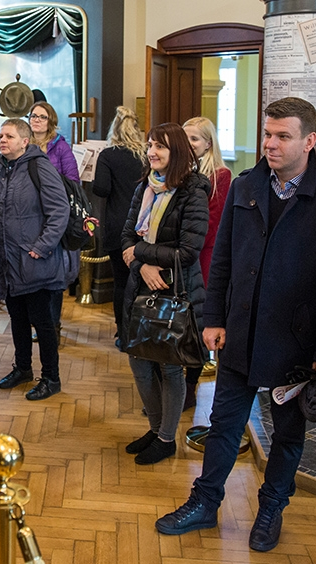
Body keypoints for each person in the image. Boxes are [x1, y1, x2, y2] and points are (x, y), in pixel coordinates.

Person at [155, 97, 316, 552]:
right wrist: (213, 319)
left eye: (282, 136)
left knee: (287, 434)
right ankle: (205, 502)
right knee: (224, 424)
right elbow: (223, 258)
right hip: (241, 333)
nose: (271, 144)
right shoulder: (247, 187)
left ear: (310, 141)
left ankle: (271, 508)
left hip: (297, 343)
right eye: (267, 134)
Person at [121, 122, 209, 465]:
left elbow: (189, 251)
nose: (152, 152)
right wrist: (141, 264)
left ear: (177, 154)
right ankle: (156, 429)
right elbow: (127, 236)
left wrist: (141, 255)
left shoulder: (193, 192)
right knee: (139, 361)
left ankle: (166, 438)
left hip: (174, 290)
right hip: (141, 285)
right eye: (150, 145)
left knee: (169, 367)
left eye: (160, 147)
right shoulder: (145, 186)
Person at [0, 118, 69, 401]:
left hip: (34, 259)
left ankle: (51, 377)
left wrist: (42, 246)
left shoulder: (39, 166)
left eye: (9, 136)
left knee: (42, 321)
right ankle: (23, 367)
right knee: (18, 318)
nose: (2, 140)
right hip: (7, 260)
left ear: (25, 141)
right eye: (0, 135)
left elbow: (59, 210)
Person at [182, 117, 232, 410]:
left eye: (195, 140)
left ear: (208, 143)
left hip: (204, 257)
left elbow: (214, 223)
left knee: (199, 323)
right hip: (184, 256)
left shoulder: (220, 175)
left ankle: (190, 387)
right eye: (185, 139)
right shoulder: (181, 172)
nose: (189, 145)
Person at [92, 106, 148, 349]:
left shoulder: (108, 155)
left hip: (118, 225)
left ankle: (123, 335)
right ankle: (142, 332)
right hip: (145, 224)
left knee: (121, 283)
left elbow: (102, 189)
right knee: (144, 281)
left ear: (114, 128)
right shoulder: (147, 154)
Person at [29, 101, 80, 338]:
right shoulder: (23, 143)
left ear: (51, 121)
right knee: (33, 272)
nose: (37, 120)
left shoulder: (60, 147)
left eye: (42, 116)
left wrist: (48, 183)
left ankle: (53, 326)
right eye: (33, 116)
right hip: (29, 215)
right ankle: (38, 324)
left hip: (54, 215)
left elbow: (73, 180)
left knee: (54, 274)